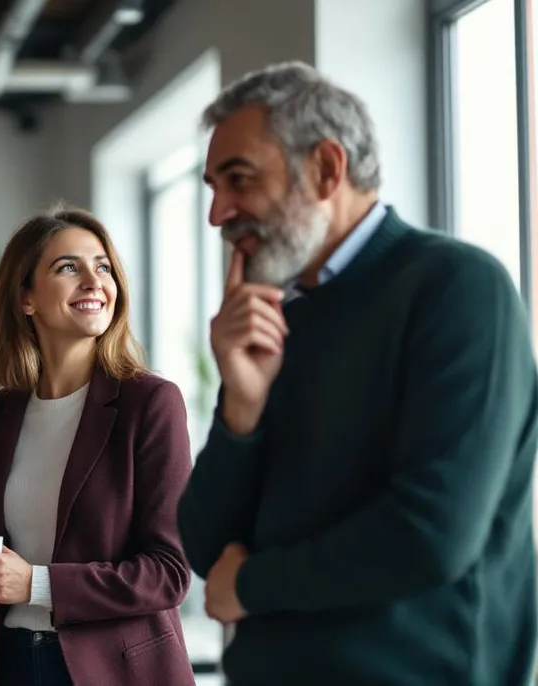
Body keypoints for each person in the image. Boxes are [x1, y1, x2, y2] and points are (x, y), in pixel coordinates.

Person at [177, 61, 538, 685]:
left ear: (326, 168)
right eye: (213, 186)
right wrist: (242, 405)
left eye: (238, 179)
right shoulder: (282, 323)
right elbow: (207, 549)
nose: (219, 214)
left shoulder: (458, 288)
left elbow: (431, 535)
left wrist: (256, 584)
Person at [0, 206, 196, 686]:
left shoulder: (152, 403)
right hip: (10, 665)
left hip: (117, 672)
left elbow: (169, 571)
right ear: (26, 298)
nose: (92, 280)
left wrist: (36, 584)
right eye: (67, 267)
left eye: (102, 266)